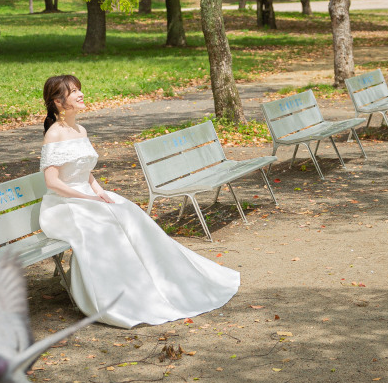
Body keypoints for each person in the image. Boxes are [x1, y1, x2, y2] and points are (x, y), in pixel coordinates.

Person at [38, 74, 240, 328]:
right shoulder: (54, 135)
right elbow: (53, 182)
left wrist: (99, 192)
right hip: (63, 205)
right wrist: (88, 197)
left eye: (79, 89)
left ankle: (160, 281)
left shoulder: (80, 130)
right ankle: (121, 295)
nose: (80, 94)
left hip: (86, 195)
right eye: (73, 91)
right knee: (106, 224)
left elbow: (84, 171)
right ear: (58, 102)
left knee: (129, 213)